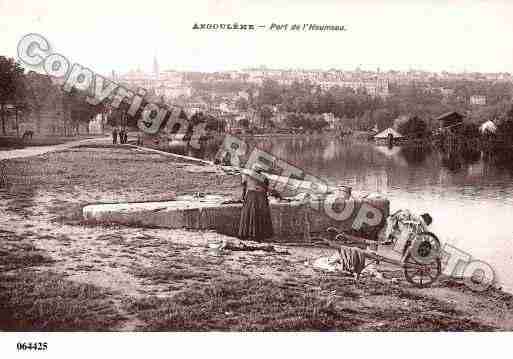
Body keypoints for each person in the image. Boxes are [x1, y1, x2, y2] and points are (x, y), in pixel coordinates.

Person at [238, 165, 274, 242]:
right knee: (260, 215)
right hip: (261, 196)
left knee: (250, 214)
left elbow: (244, 188)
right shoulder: (264, 177)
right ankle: (260, 235)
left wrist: (243, 197)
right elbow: (266, 188)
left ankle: (249, 234)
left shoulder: (247, 176)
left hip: (252, 196)